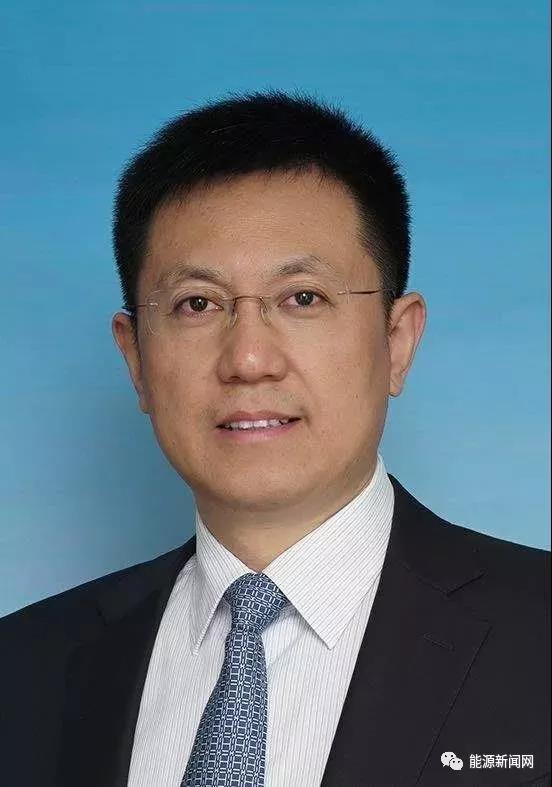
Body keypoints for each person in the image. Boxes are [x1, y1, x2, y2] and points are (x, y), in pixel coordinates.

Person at [0, 90, 549, 787]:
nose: (249, 359)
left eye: (302, 298)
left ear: (397, 340)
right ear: (135, 358)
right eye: (197, 304)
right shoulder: (23, 668)